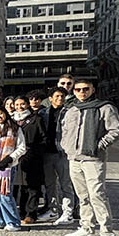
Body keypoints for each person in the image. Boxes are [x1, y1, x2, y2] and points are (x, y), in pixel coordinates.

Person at [61, 79, 119, 236]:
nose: (82, 92)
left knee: (97, 195)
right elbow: (65, 130)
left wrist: (98, 145)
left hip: (93, 159)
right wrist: (66, 147)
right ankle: (86, 228)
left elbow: (116, 131)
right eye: (78, 89)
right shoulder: (71, 109)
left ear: (92, 89)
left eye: (85, 89)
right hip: (74, 158)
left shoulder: (104, 107)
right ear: (74, 92)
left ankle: (107, 233)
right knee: (82, 196)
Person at [0, 106, 27, 231]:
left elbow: (22, 147)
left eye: (0, 114)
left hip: (7, 167)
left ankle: (13, 222)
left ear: (5, 114)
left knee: (5, 194)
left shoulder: (14, 129)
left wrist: (9, 158)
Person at [43, 86, 75, 225]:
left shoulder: (70, 113)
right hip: (47, 153)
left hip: (63, 153)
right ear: (50, 99)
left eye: (62, 96)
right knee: (50, 184)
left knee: (65, 184)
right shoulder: (44, 113)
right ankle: (53, 210)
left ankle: (68, 212)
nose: (60, 99)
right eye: (56, 96)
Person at [12, 96, 46, 224]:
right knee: (21, 187)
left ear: (27, 105)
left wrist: (33, 151)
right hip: (17, 158)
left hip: (33, 157)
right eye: (17, 105)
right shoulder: (11, 120)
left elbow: (44, 139)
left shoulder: (36, 119)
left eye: (22, 104)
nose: (19, 107)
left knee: (32, 187)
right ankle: (21, 212)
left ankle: (31, 213)